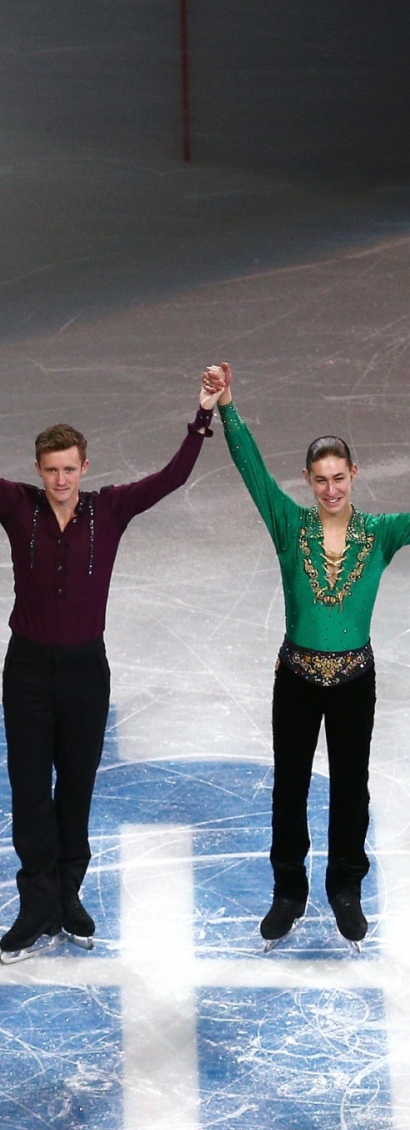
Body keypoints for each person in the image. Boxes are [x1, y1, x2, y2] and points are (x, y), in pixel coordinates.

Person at [0, 364, 216, 962]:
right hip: (26, 673)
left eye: (70, 468)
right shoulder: (17, 507)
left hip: (84, 673)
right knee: (28, 789)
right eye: (51, 469)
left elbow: (172, 477)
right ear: (39, 470)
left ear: (84, 468)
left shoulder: (111, 510)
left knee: (75, 787)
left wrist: (203, 415)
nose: (61, 479)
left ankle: (67, 893)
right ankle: (35, 902)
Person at [206, 361, 410, 948]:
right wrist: (227, 408)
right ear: (307, 480)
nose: (330, 489)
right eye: (320, 480)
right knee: (290, 786)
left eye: (338, 478)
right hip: (296, 678)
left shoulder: (381, 532)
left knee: (352, 786)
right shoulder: (289, 525)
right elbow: (251, 473)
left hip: (354, 680)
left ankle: (346, 890)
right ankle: (288, 894)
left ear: (354, 474)